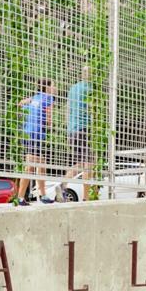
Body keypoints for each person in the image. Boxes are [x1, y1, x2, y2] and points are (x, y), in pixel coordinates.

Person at [16, 79, 56, 206]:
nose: (55, 88)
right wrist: (50, 125)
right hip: (36, 135)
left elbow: (20, 104)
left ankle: (42, 195)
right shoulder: (49, 98)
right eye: (53, 86)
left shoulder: (34, 98)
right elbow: (49, 120)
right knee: (30, 167)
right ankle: (20, 197)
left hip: (27, 133)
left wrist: (27, 103)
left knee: (41, 164)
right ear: (47, 88)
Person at [64, 67, 92, 201]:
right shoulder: (91, 88)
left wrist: (68, 128)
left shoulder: (72, 88)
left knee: (80, 163)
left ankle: (63, 186)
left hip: (71, 131)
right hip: (84, 129)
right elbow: (94, 110)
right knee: (89, 164)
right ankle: (86, 197)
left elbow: (67, 110)